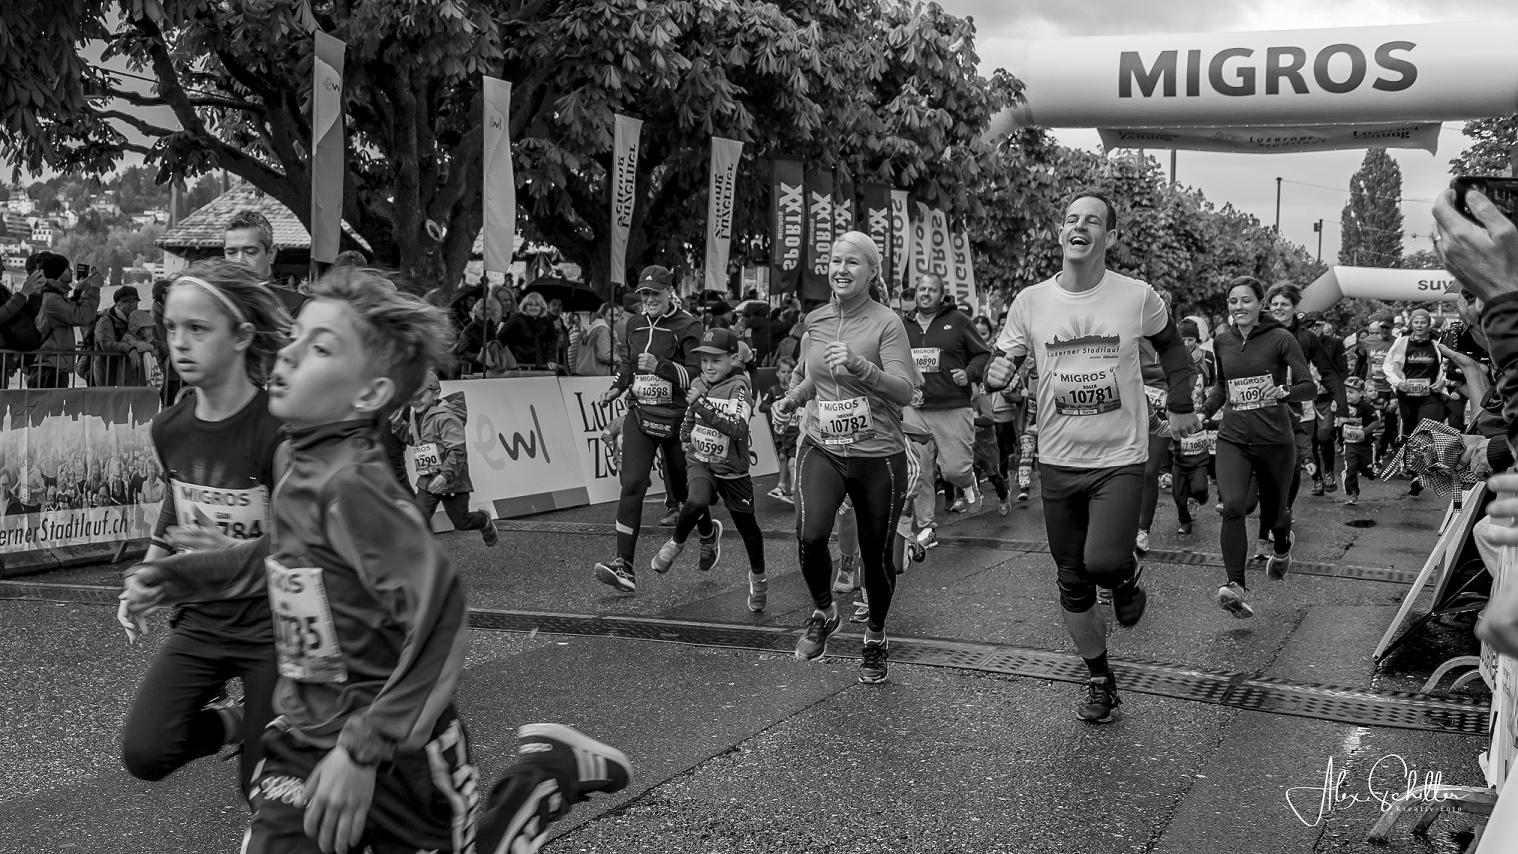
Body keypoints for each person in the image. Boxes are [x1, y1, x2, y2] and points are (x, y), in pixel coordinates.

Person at [118, 268, 632, 854]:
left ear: (367, 394)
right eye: (294, 339)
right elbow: (276, 558)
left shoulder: (357, 490)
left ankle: (543, 777)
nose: (287, 356)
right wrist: (174, 575)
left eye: (319, 348)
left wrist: (364, 749)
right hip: (302, 737)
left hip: (400, 755)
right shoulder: (298, 464)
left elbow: (441, 619)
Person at [985, 191, 1199, 723]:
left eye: (1092, 221)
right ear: (1061, 234)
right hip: (1058, 461)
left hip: (1119, 458)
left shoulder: (1136, 297)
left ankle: (1123, 579)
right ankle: (1101, 680)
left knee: (1102, 561)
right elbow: (1006, 353)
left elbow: (1173, 350)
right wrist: (996, 371)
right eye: (1071, 219)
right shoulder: (1030, 301)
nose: (1079, 227)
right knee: (1072, 580)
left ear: (1110, 237)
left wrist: (1179, 404)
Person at [116, 260, 292, 799]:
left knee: (264, 790)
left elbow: (302, 541)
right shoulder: (170, 426)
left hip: (273, 626)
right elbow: (176, 502)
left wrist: (234, 554)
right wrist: (149, 572)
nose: (179, 343)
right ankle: (236, 722)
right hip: (204, 620)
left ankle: (265, 734)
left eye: (198, 329)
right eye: (170, 328)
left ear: (241, 336)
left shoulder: (279, 427)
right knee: (145, 751)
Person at [773, 231, 920, 684]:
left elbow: (905, 389)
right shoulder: (814, 320)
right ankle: (823, 611)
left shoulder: (886, 323)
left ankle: (875, 637)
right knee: (810, 533)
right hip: (824, 447)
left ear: (871, 272)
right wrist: (792, 400)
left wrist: (861, 367)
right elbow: (808, 377)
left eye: (852, 262)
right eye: (835, 260)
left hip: (878, 453)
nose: (841, 269)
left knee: (876, 558)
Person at [1204, 276, 1316, 619]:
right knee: (1233, 506)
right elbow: (1223, 387)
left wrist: (1285, 392)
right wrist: (1202, 412)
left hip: (1274, 441)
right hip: (1233, 438)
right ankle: (1234, 586)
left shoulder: (1281, 339)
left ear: (1260, 303)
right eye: (1233, 301)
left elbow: (1307, 387)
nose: (1239, 307)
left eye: (1246, 301)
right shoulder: (1222, 341)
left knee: (1275, 516)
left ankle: (1282, 548)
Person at [594, 265, 704, 593]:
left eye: (655, 293)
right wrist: (617, 386)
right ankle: (623, 565)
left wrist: (662, 367)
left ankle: (709, 534)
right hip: (641, 415)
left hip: (676, 420)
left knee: (686, 496)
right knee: (632, 485)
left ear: (670, 292)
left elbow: (699, 375)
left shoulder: (689, 325)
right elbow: (629, 364)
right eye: (644, 293)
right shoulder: (635, 323)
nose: (649, 298)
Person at [650, 328, 769, 611]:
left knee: (747, 527)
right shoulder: (699, 381)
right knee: (695, 500)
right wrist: (685, 440)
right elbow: (689, 417)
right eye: (704, 360)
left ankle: (759, 578)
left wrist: (701, 404)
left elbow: (737, 427)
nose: (708, 367)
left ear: (733, 359)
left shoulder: (739, 387)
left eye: (716, 360)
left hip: (732, 470)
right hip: (702, 461)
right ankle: (675, 545)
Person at [904, 273, 992, 545]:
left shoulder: (959, 322)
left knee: (953, 469)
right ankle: (927, 528)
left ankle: (967, 482)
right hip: (915, 408)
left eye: (932, 290)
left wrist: (969, 373)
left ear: (941, 296)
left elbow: (982, 353)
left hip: (952, 407)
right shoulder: (902, 325)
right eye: (921, 289)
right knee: (919, 471)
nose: (925, 294)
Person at [393, 371, 500, 547]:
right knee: (417, 518)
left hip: (453, 483)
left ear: (435, 394)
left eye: (420, 395)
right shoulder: (415, 416)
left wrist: (445, 475)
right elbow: (414, 440)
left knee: (462, 522)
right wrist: (398, 425)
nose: (415, 400)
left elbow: (457, 451)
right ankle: (422, 559)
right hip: (427, 481)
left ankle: (483, 520)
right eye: (411, 396)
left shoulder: (447, 417)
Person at [33, 253, 103, 388]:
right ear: (58, 272)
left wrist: (78, 292)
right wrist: (94, 289)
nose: (71, 271)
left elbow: (69, 308)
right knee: (49, 407)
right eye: (67, 268)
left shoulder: (51, 296)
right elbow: (82, 316)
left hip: (51, 365)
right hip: (49, 367)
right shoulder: (51, 300)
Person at [1172, 319, 1215, 535]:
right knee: (1178, 480)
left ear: (1196, 339)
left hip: (1201, 419)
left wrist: (1206, 404)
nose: (1186, 343)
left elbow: (1216, 384)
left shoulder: (1207, 358)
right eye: (1183, 339)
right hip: (1179, 417)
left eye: (1190, 339)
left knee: (1198, 465)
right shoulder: (1172, 359)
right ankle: (1185, 517)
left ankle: (1199, 493)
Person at [224, 210, 307, 316]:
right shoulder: (217, 303)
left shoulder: (297, 306)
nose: (239, 260)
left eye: (250, 252)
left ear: (271, 253)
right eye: (231, 252)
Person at [1383, 307, 1448, 440]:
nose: (1419, 325)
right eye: (1416, 322)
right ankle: (1410, 458)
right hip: (1407, 394)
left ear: (1429, 324)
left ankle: (1428, 458)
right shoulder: (1402, 341)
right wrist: (1398, 383)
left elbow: (1447, 365)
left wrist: (1443, 381)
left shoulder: (1437, 342)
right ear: (1411, 324)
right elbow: (1388, 365)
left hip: (1430, 394)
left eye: (1423, 322)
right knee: (1410, 430)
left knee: (1427, 427)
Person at [1302, 311, 1348, 495]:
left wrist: (1339, 398)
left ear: (1324, 325)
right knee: (1310, 440)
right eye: (1310, 326)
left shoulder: (1334, 344)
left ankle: (1329, 471)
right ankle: (1317, 480)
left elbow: (1343, 372)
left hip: (1326, 399)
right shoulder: (1297, 342)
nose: (1314, 329)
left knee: (1324, 435)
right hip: (1304, 399)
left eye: (1318, 325)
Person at [92, 286, 155, 387]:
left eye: (135, 302)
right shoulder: (106, 321)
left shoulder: (134, 320)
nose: (132, 305)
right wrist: (129, 349)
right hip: (108, 370)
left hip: (127, 372)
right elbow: (106, 344)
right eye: (127, 302)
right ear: (118, 304)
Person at [1339, 377, 1382, 506]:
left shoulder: (1366, 407)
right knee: (1351, 468)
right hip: (1350, 443)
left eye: (1351, 392)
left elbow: (1377, 422)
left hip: (1365, 444)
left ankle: (1375, 461)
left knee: (1369, 472)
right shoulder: (1343, 405)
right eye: (1345, 392)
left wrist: (1364, 431)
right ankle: (1352, 493)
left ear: (1361, 393)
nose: (1347, 395)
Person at [499, 291, 560, 372]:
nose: (533, 307)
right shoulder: (516, 318)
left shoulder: (547, 319)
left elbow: (552, 339)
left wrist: (551, 359)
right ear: (525, 306)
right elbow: (501, 337)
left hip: (541, 363)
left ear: (542, 307)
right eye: (530, 305)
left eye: (537, 305)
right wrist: (510, 358)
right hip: (519, 364)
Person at [570, 302, 618, 376]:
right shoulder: (603, 330)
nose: (615, 319)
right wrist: (618, 360)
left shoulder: (593, 327)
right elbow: (604, 355)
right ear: (603, 316)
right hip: (600, 374)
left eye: (617, 315)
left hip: (586, 372)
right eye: (611, 315)